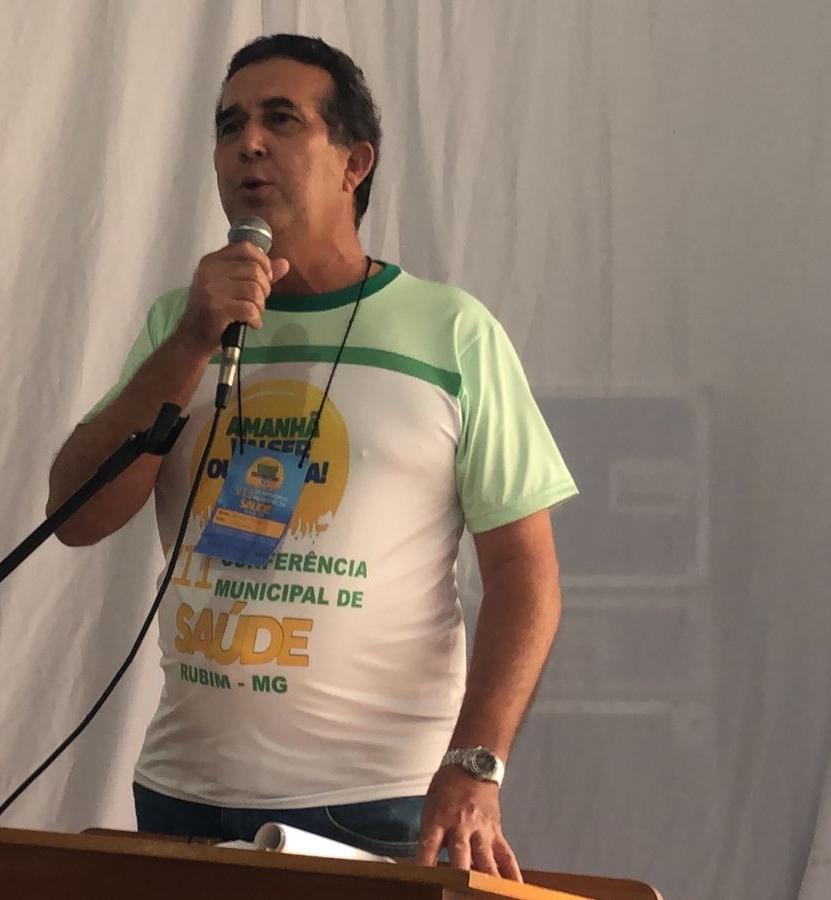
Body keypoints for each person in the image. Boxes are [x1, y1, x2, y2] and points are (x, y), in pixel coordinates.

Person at [46, 34, 576, 881]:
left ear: (354, 162)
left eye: (281, 120)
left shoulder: (451, 332)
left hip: (378, 804)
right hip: (182, 795)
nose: (247, 143)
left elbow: (524, 575)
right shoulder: (181, 326)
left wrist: (476, 767)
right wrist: (190, 341)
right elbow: (75, 516)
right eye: (229, 126)